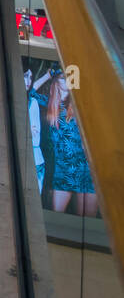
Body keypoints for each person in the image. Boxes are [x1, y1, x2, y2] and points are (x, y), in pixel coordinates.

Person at [46, 71, 96, 216]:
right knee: (57, 218)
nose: (68, 82)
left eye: (70, 79)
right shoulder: (51, 105)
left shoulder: (78, 105)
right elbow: (29, 94)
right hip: (62, 171)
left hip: (84, 169)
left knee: (87, 221)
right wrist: (47, 76)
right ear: (55, 82)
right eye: (63, 78)